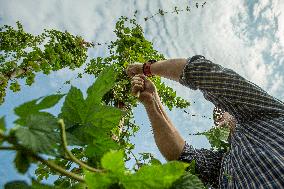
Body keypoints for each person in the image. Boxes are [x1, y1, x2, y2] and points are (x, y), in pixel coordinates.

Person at [126, 55, 284, 189]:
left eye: (221, 111)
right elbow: (181, 156)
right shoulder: (222, 166)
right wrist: (152, 101)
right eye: (216, 118)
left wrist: (147, 68)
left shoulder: (271, 112)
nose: (219, 118)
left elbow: (201, 72)